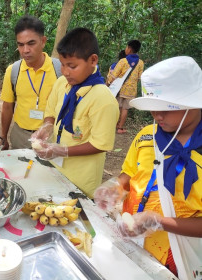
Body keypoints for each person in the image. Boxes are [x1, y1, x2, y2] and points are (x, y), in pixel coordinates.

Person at [94, 56, 202, 279]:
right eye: (152, 108)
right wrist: (115, 187)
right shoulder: (146, 136)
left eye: (166, 108)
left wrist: (160, 222)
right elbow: (130, 175)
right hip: (130, 245)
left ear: (193, 102)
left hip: (175, 259)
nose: (157, 116)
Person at [31, 27, 119, 198]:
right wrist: (46, 128)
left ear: (93, 60)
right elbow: (51, 113)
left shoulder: (103, 99)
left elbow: (100, 144)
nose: (65, 71)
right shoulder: (61, 84)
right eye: (63, 65)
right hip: (54, 169)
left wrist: (61, 151)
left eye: (72, 66)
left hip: (80, 181)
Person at [0, 15, 61, 150]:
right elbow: (7, 106)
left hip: (52, 137)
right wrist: (3, 136)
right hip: (21, 136)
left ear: (43, 41)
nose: (25, 50)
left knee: (48, 171)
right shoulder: (13, 70)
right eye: (20, 45)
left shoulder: (60, 70)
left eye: (31, 43)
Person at [106, 40, 144, 134]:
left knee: (117, 106)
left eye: (127, 47)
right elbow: (140, 77)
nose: (126, 49)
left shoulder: (123, 61)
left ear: (130, 49)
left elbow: (114, 75)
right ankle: (120, 128)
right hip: (131, 90)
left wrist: (108, 83)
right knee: (125, 109)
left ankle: (113, 125)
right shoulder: (140, 63)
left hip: (120, 89)